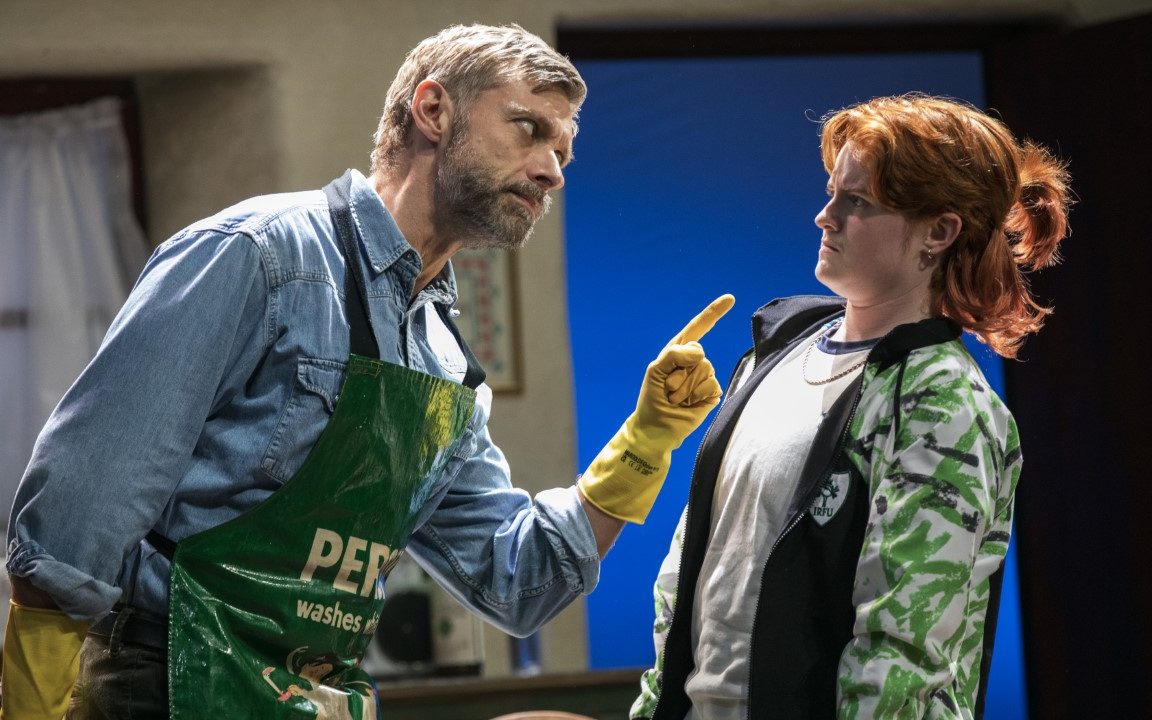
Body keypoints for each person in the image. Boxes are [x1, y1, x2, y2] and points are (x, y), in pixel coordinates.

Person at [1, 24, 735, 719]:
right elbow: (80, 504)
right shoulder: (258, 255)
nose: (552, 170)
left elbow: (519, 580)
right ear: (433, 109)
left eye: (565, 155)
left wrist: (647, 439)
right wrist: (32, 700)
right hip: (164, 685)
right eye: (529, 130)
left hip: (315, 694)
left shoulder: (444, 364)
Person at [630, 94, 1072, 720]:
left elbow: (899, 653)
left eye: (856, 202)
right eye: (832, 191)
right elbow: (688, 577)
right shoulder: (774, 355)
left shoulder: (943, 400)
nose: (824, 216)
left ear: (939, 232)